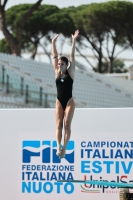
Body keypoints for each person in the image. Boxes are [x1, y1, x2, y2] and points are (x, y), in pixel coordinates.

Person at [52, 30, 79, 158]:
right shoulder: (57, 72)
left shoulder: (71, 72)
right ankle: (58, 146)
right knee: (58, 124)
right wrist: (53, 43)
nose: (59, 65)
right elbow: (55, 55)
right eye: (58, 64)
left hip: (69, 101)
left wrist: (73, 41)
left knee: (67, 124)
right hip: (59, 101)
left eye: (62, 64)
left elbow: (72, 56)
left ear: (66, 65)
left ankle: (65, 148)